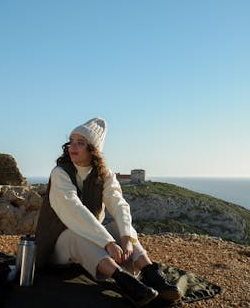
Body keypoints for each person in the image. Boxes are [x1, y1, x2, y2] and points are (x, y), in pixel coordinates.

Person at [34, 118, 181, 307]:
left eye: (80, 142)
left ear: (93, 149)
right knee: (75, 234)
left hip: (91, 243)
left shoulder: (104, 174)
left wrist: (126, 237)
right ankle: (124, 282)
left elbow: (119, 204)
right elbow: (74, 210)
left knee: (120, 229)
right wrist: (108, 242)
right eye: (71, 141)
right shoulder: (60, 173)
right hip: (55, 247)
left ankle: (152, 275)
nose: (73, 146)